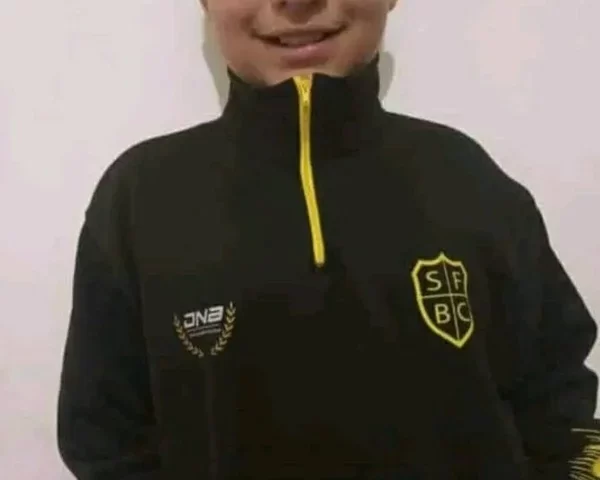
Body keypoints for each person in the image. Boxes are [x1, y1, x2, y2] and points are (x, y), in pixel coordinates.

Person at [57, 0, 600, 478]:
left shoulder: (470, 179)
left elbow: (563, 407)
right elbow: (102, 439)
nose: (297, 2)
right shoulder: (141, 198)